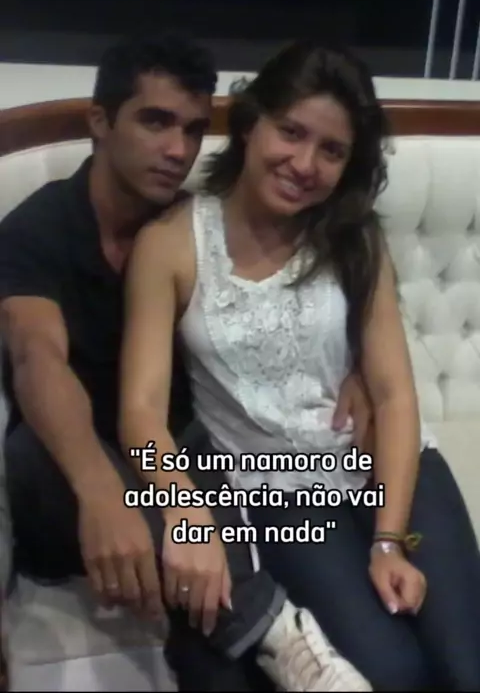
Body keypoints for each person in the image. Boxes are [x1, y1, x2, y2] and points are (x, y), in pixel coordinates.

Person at [0, 34, 373, 692]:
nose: (177, 149)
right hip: (71, 468)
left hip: (176, 454)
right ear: (100, 121)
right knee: (36, 447)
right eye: (155, 121)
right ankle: (279, 630)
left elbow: (285, 309)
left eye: (194, 129)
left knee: (213, 649)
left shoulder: (193, 226)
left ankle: (255, 638)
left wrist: (356, 367)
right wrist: (105, 494)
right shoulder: (39, 229)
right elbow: (37, 358)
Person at [119, 39, 480, 693]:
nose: (305, 164)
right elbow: (141, 411)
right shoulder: (170, 244)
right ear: (251, 124)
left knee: (468, 666)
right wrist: (183, 508)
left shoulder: (353, 236)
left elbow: (394, 396)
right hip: (280, 492)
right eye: (291, 132)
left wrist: (389, 541)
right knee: (393, 674)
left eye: (332, 151)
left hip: (387, 463)